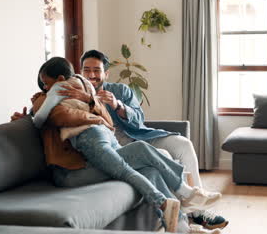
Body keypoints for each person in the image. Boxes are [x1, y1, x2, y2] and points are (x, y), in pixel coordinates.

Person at [29, 57, 221, 233]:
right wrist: (94, 118)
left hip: (89, 161)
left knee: (150, 169)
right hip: (70, 173)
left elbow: (108, 120)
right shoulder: (45, 101)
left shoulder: (86, 91)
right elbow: (62, 117)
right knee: (138, 155)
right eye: (45, 85)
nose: (90, 76)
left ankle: (181, 227)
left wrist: (89, 101)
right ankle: (184, 195)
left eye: (96, 70)